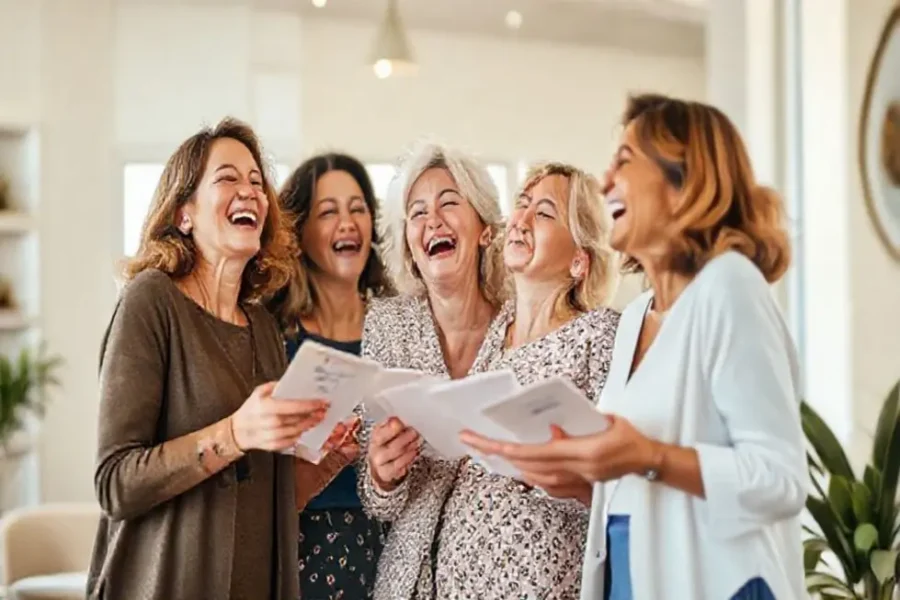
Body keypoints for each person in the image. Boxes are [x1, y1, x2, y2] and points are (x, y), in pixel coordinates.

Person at [461, 94, 808, 600]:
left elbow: (779, 480)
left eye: (625, 161)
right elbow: (636, 479)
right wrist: (581, 482)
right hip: (636, 575)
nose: (605, 183)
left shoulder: (730, 287)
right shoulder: (634, 320)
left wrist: (646, 455)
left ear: (683, 180)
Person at [89, 118, 333, 600]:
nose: (250, 192)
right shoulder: (151, 301)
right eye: (227, 178)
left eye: (257, 183)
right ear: (185, 214)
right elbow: (115, 483)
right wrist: (235, 432)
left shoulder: (263, 326)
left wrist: (326, 465)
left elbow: (265, 499)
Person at [428, 162, 621, 599]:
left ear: (579, 259)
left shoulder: (600, 334)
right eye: (522, 205)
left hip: (539, 581)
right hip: (460, 581)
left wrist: (558, 471)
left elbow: (619, 479)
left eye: (545, 213)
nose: (521, 220)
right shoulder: (499, 332)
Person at [356, 141, 509, 599]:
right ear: (410, 244)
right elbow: (377, 499)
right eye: (417, 213)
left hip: (504, 576)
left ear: (484, 228)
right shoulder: (386, 325)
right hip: (412, 584)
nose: (432, 221)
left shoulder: (522, 323)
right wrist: (383, 474)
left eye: (448, 204)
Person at [267, 152, 395, 599]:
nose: (347, 222)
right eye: (328, 211)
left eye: (357, 208)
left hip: (389, 545)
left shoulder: (398, 328)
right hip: (301, 543)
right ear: (299, 234)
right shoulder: (275, 337)